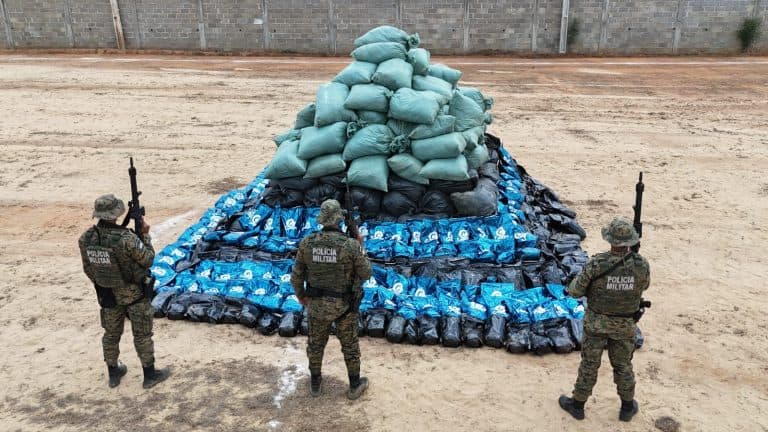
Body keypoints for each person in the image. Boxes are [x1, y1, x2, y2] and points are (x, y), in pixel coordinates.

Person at [559, 217, 650, 422]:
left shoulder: (597, 263)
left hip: (596, 324)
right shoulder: (641, 264)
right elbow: (644, 286)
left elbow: (575, 291)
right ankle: (627, 407)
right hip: (625, 324)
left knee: (589, 364)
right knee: (623, 365)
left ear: (610, 241)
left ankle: (578, 405)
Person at [78, 194, 171, 389]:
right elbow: (147, 259)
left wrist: (104, 283)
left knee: (111, 334)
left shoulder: (86, 238)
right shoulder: (127, 239)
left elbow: (88, 268)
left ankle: (113, 373)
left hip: (107, 294)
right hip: (133, 293)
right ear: (117, 213)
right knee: (142, 334)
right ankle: (150, 374)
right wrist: (144, 235)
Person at [291, 199, 372, 400]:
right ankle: (354, 385)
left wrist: (301, 296)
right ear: (339, 220)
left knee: (316, 344)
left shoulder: (307, 243)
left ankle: (316, 383)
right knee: (350, 345)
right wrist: (361, 248)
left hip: (316, 305)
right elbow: (366, 273)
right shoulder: (351, 245)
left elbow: (296, 276)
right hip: (345, 306)